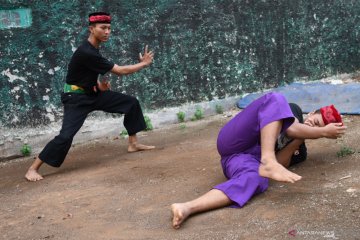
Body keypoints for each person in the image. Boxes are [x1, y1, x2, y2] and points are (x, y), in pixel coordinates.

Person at [171, 92, 346, 229]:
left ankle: (187, 207)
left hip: (239, 159)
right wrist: (322, 132)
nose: (311, 126)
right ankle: (266, 159)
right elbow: (292, 128)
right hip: (235, 139)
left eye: (318, 128)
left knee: (257, 178)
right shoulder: (293, 111)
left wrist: (300, 140)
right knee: (276, 99)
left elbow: (280, 163)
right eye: (314, 121)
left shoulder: (301, 150)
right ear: (312, 113)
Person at [25, 12, 155, 181]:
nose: (107, 31)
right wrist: (143, 64)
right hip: (76, 98)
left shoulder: (93, 50)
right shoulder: (87, 52)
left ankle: (133, 144)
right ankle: (32, 169)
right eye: (103, 28)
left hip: (92, 93)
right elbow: (120, 71)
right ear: (91, 29)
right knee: (65, 136)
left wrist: (98, 86)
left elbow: (83, 75)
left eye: (109, 28)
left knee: (131, 103)